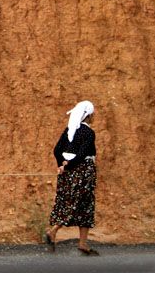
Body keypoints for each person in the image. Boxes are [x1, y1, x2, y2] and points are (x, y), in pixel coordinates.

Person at [45, 100, 99, 255]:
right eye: (92, 114)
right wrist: (67, 166)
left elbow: (57, 151)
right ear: (88, 115)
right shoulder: (89, 133)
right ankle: (53, 231)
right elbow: (82, 154)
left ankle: (82, 243)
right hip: (83, 172)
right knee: (81, 204)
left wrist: (61, 166)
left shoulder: (69, 130)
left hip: (67, 173)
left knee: (68, 202)